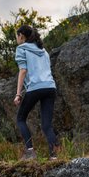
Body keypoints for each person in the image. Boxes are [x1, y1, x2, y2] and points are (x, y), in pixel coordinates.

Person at [14, 25, 60, 160]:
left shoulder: (21, 49)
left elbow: (23, 71)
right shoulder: (43, 51)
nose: (16, 39)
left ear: (21, 35)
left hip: (35, 88)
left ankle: (30, 152)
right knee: (47, 125)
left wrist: (18, 94)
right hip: (50, 87)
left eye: (17, 36)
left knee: (21, 119)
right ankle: (55, 156)